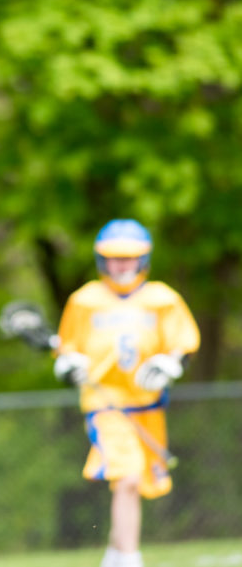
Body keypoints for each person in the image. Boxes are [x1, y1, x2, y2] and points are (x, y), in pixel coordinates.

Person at [52, 219, 199, 567]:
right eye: (115, 258)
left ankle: (114, 555)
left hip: (147, 404)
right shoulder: (85, 300)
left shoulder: (163, 299)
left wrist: (169, 363)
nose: (122, 265)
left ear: (143, 259)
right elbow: (68, 349)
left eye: (130, 258)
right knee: (128, 475)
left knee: (133, 483)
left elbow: (184, 345)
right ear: (102, 259)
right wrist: (68, 364)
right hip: (105, 403)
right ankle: (130, 559)